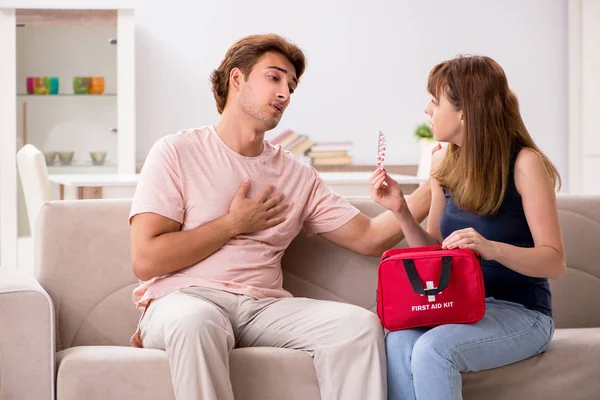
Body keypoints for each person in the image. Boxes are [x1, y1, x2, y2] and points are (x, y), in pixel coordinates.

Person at [129, 33, 431, 400]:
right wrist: (232, 224)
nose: (285, 93)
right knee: (196, 322)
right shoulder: (177, 151)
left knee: (358, 326)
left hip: (264, 308)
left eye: (291, 85)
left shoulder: (296, 174)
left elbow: (368, 236)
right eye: (274, 78)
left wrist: (440, 181)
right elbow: (146, 260)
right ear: (236, 80)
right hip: (185, 300)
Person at [370, 54, 565, 400]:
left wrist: (490, 248)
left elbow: (554, 261)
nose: (427, 111)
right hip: (458, 305)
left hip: (522, 311)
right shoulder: (441, 160)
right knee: (398, 339)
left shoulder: (524, 164)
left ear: (464, 111)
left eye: (434, 101)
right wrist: (401, 211)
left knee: (433, 350)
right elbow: (434, 248)